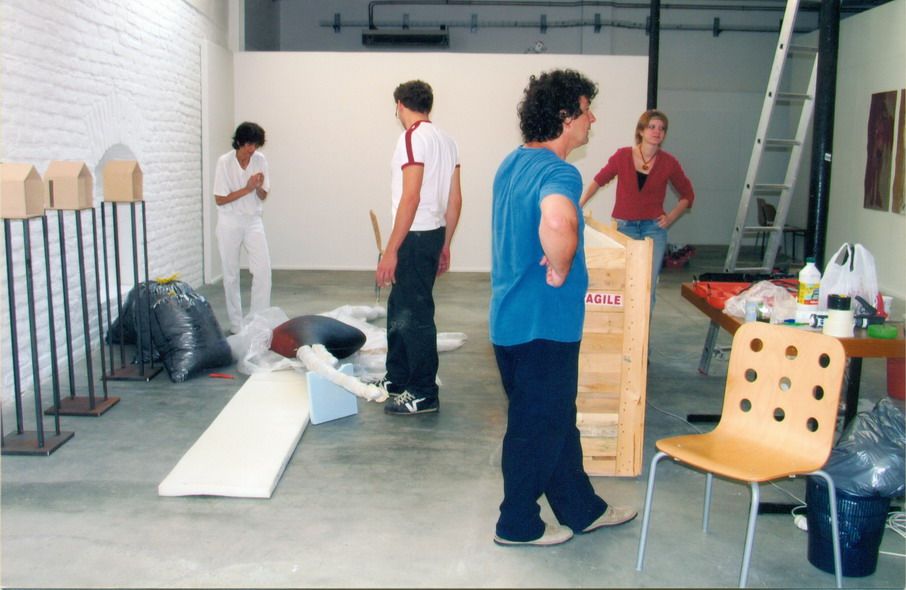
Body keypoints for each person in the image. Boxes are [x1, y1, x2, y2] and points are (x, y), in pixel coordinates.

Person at [489, 69, 636, 546]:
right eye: (587, 111)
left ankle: (581, 509)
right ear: (565, 116)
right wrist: (560, 264)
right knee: (536, 428)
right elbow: (556, 221)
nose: (593, 120)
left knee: (553, 420)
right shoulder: (559, 172)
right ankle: (517, 524)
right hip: (544, 325)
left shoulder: (512, 163)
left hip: (511, 321)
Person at [376, 80, 463, 416]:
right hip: (432, 235)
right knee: (399, 308)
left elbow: (411, 197)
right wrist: (445, 244)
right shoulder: (447, 141)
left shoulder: (412, 138)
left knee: (415, 315)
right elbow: (455, 200)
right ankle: (397, 379)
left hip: (413, 237)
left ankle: (424, 393)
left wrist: (391, 250)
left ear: (400, 104)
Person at [580, 109, 694, 311]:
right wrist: (578, 205)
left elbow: (688, 195)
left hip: (654, 231)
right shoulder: (622, 156)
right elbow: (598, 181)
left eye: (662, 129)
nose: (657, 132)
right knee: (624, 283)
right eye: (652, 127)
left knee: (647, 287)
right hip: (624, 229)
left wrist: (670, 218)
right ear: (641, 131)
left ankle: (643, 332)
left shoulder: (669, 162)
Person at [213, 122, 272, 335]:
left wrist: (258, 187)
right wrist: (247, 188)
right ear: (239, 142)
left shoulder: (260, 160)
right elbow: (220, 199)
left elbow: (263, 195)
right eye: (249, 144)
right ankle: (237, 325)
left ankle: (259, 321)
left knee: (263, 270)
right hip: (229, 221)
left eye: (255, 145)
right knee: (230, 273)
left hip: (253, 220)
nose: (252, 149)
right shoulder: (224, 162)